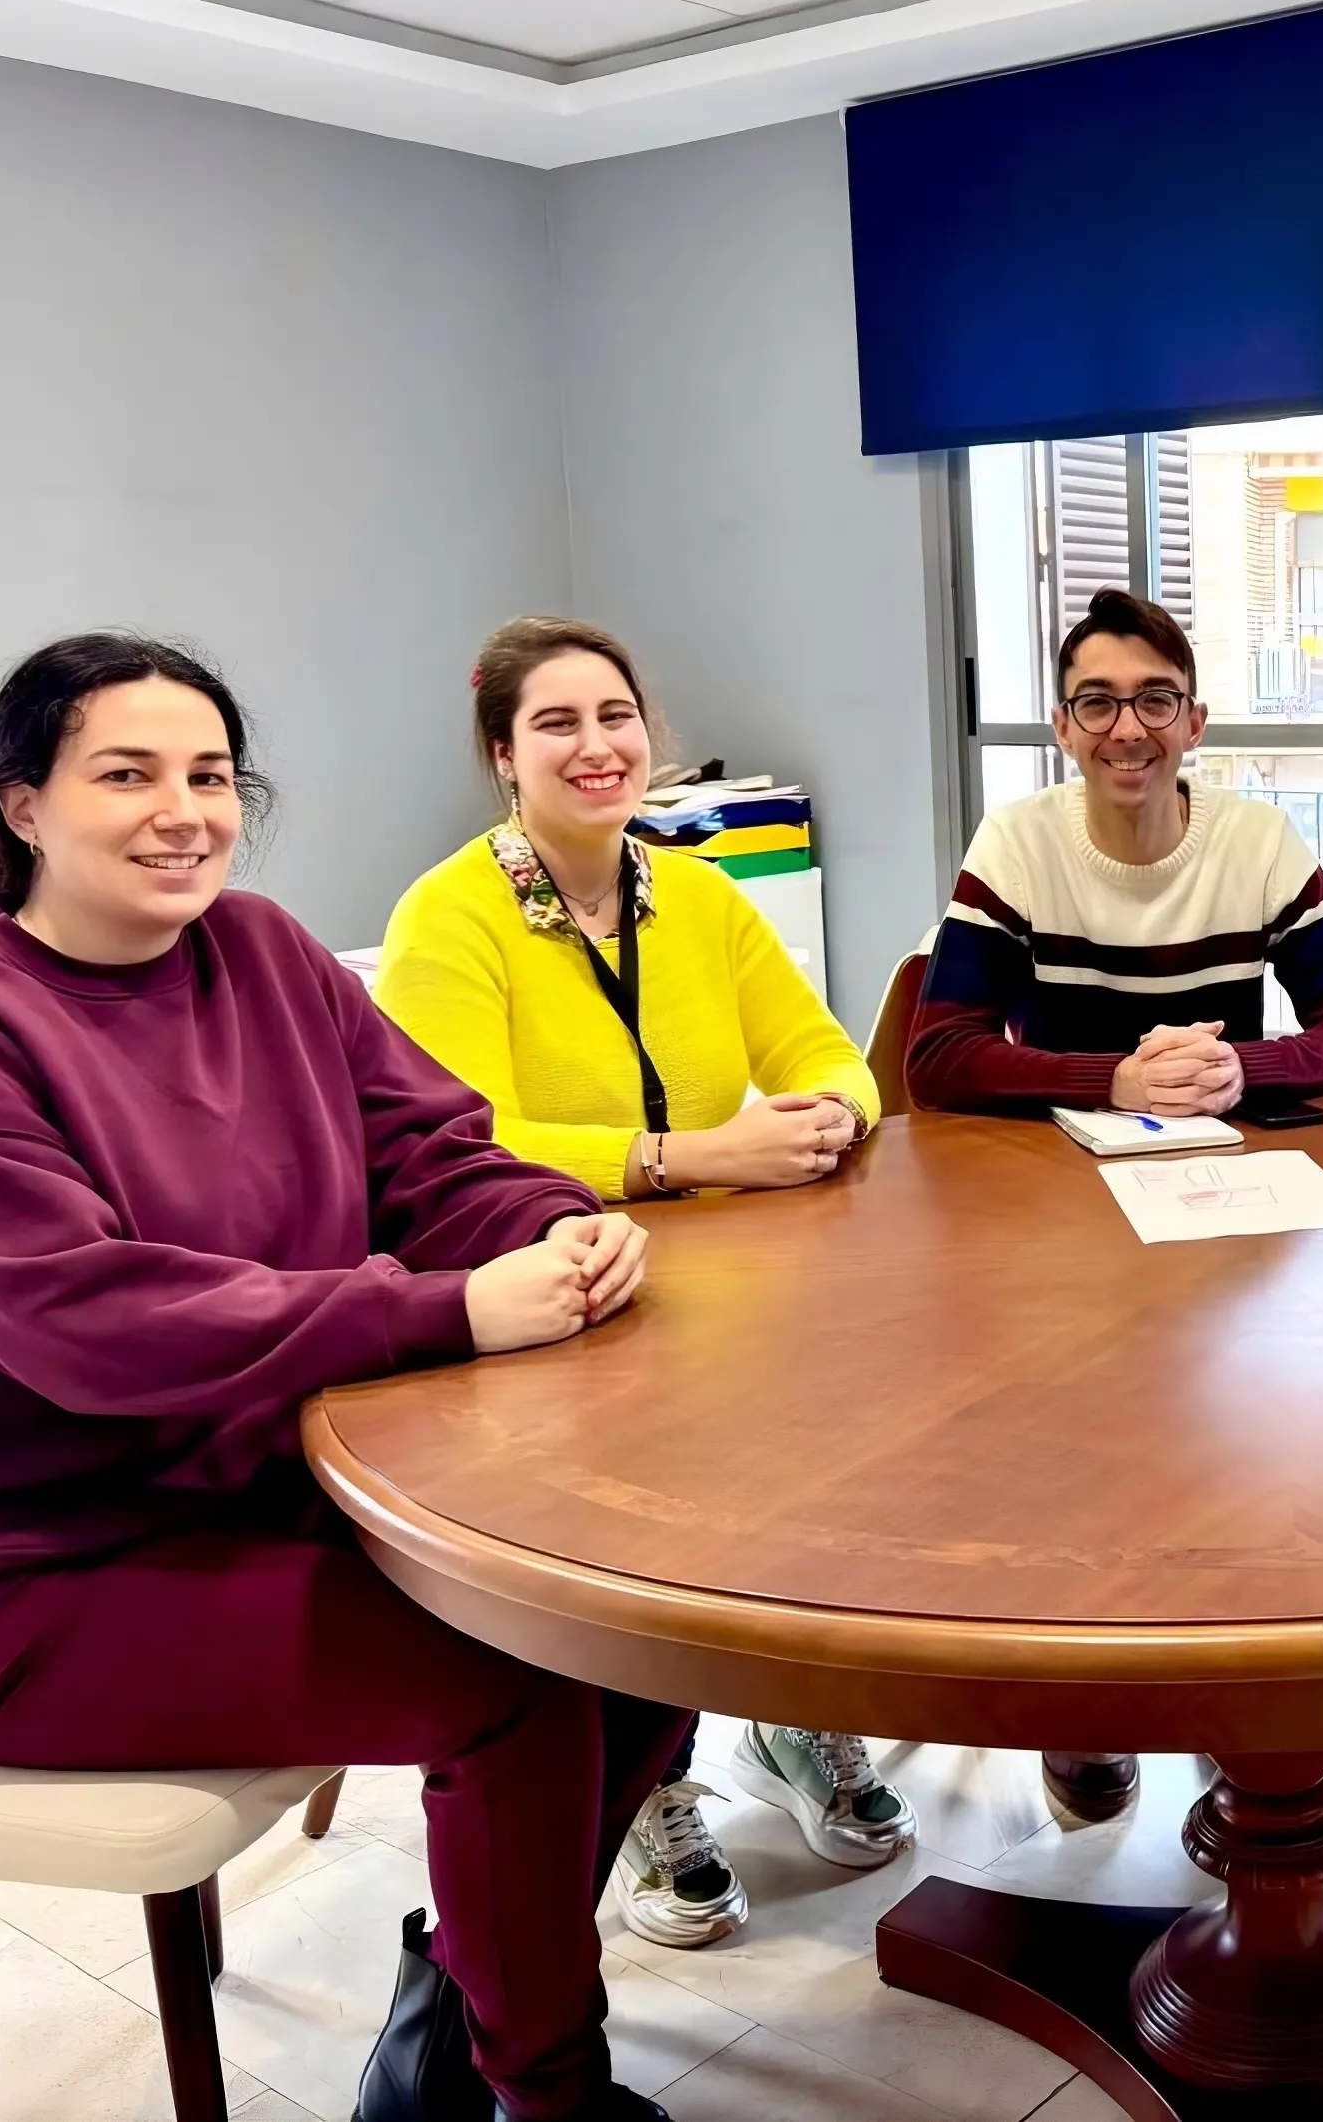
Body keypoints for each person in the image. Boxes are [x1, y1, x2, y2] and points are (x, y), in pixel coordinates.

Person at [0, 636, 675, 2122]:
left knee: (625, 1614)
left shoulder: (259, 949)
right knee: (514, 1680)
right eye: (125, 773)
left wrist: (553, 1231)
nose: (182, 810)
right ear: (19, 807)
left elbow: (428, 1152)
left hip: (227, 1483)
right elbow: (97, 1328)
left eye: (207, 774)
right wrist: (448, 1310)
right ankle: (545, 2087)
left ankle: (470, 1987)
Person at [376, 616, 913, 1946]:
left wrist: (827, 1120)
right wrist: (680, 1157)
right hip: (545, 1288)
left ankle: (794, 1716)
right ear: (503, 754)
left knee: (832, 1461)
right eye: (556, 723)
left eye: (615, 716)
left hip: (730, 1283)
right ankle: (653, 1774)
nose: (597, 745)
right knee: (633, 1530)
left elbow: (832, 1054)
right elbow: (457, 1137)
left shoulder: (704, 892)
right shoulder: (447, 917)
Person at [907, 584, 1323, 1817]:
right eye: (1097, 703)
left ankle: (1244, 1694)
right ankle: (1081, 1697)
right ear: (1064, 727)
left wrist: (1246, 1066)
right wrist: (1111, 1074)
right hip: (1053, 1205)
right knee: (1073, 1458)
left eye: (1155, 701)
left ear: (1195, 722)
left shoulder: (1257, 844)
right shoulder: (1017, 845)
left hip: (1220, 1197)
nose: (1127, 729)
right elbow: (937, 1055)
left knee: (1244, 1451)